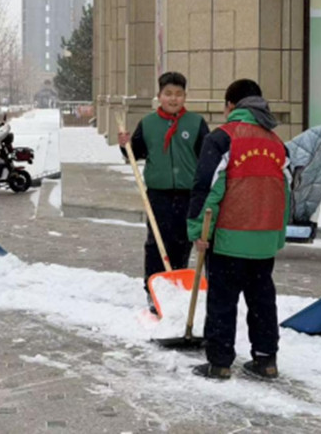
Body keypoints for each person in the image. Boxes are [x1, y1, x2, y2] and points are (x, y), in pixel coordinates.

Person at [186, 79, 290, 380]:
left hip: (229, 236)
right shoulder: (275, 142)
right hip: (265, 236)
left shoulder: (222, 138)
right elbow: (285, 191)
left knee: (222, 300)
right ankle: (266, 359)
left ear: (230, 106)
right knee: (262, 299)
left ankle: (219, 362)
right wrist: (278, 235)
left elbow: (206, 188)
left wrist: (198, 231)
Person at [118, 71, 210, 314]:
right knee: (157, 242)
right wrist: (124, 144)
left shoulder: (196, 123)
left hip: (188, 194)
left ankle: (177, 283)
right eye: (168, 94)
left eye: (178, 94)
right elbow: (134, 153)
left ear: (185, 96)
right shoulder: (148, 124)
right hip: (158, 195)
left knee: (182, 241)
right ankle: (154, 288)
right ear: (159, 96)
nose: (173, 99)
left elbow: (206, 158)